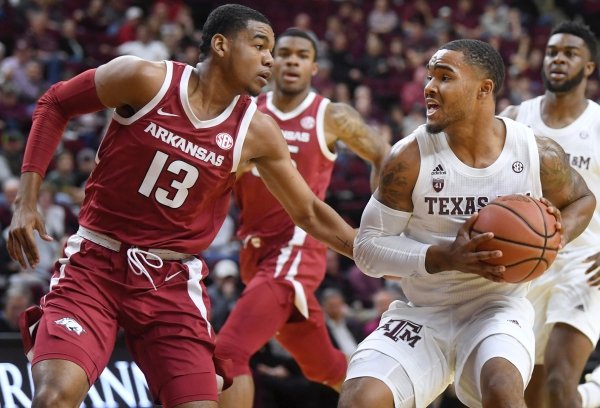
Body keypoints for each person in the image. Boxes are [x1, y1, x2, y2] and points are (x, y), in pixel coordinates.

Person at [6, 5, 356, 408]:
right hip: (95, 263)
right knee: (54, 396)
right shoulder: (145, 79)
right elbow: (55, 103)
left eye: (271, 51)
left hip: (171, 282)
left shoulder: (257, 131)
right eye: (260, 46)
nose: (269, 59)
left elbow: (309, 212)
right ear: (221, 45)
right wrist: (26, 201)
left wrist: (375, 254)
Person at [338, 39, 596, 408]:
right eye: (429, 77)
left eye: (444, 77)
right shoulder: (408, 158)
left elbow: (583, 200)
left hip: (497, 308)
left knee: (503, 391)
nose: (429, 86)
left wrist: (557, 235)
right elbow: (367, 247)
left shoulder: (535, 152)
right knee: (360, 399)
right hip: (423, 312)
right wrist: (445, 257)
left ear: (484, 89)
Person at [215, 28, 389, 408]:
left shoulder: (331, 116)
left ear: (313, 67)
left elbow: (386, 156)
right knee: (322, 367)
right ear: (273, 62)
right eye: (286, 53)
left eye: (302, 55)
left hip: (296, 252)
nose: (292, 60)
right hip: (253, 253)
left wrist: (384, 218)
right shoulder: (249, 112)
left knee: (226, 355)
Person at [499, 21, 600, 408]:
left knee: (560, 382)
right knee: (532, 393)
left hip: (583, 263)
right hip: (526, 263)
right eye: (553, 51)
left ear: (588, 68)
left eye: (570, 53)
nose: (559, 59)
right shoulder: (513, 118)